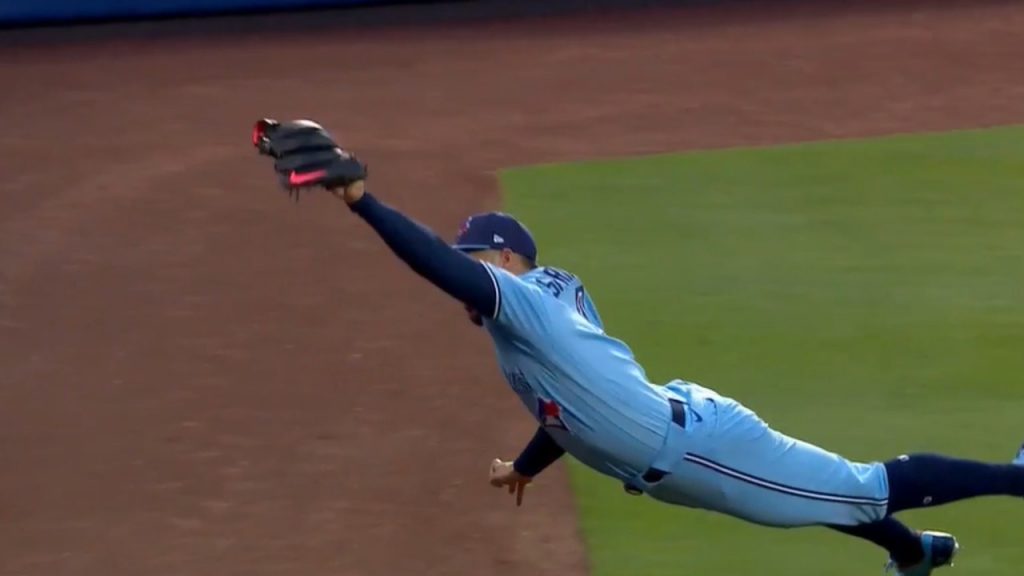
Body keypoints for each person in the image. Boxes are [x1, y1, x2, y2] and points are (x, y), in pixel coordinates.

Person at [253, 119, 1024, 576]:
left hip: (696, 448)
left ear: (511, 261)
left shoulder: (521, 301)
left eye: (480, 256)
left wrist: (358, 200)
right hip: (677, 454)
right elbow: (564, 408)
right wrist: (525, 468)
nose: (470, 269)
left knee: (858, 486)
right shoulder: (533, 315)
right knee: (811, 497)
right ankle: (915, 555)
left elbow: (432, 262)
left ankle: (1015, 481)